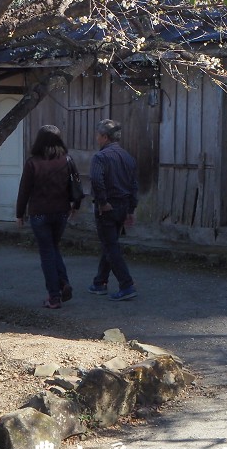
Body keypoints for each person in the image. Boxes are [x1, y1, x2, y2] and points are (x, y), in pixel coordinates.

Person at [16, 124, 79, 309]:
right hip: (61, 212)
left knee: (47, 253)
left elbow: (24, 191)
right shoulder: (67, 160)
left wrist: (19, 214)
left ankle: (54, 296)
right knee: (53, 248)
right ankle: (63, 282)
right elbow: (76, 184)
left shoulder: (32, 163)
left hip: (39, 213)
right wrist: (76, 205)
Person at [88, 118, 140, 301]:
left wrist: (102, 202)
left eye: (98, 135)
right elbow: (134, 185)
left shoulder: (100, 157)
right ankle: (99, 282)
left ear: (104, 136)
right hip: (123, 205)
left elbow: (96, 180)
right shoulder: (128, 157)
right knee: (109, 244)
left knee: (111, 246)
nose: (96, 138)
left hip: (108, 207)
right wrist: (131, 209)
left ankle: (126, 284)